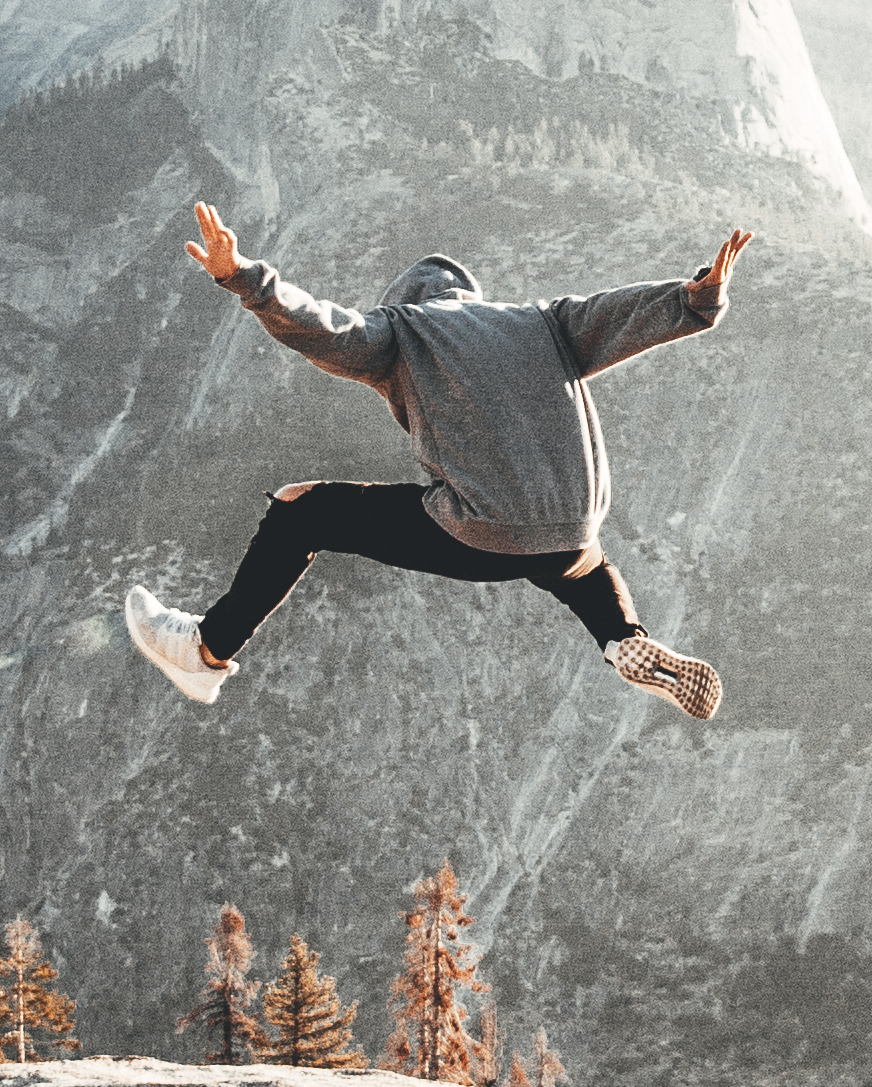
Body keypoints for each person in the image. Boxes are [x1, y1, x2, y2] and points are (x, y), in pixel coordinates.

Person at [124, 202, 754, 721]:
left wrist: (244, 278)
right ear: (471, 298)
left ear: (404, 300)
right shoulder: (538, 321)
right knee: (575, 566)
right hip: (574, 524)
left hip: (484, 525)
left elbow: (323, 328)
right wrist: (693, 298)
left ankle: (203, 652)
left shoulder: (400, 330)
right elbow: (619, 313)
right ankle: (625, 640)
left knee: (300, 510)